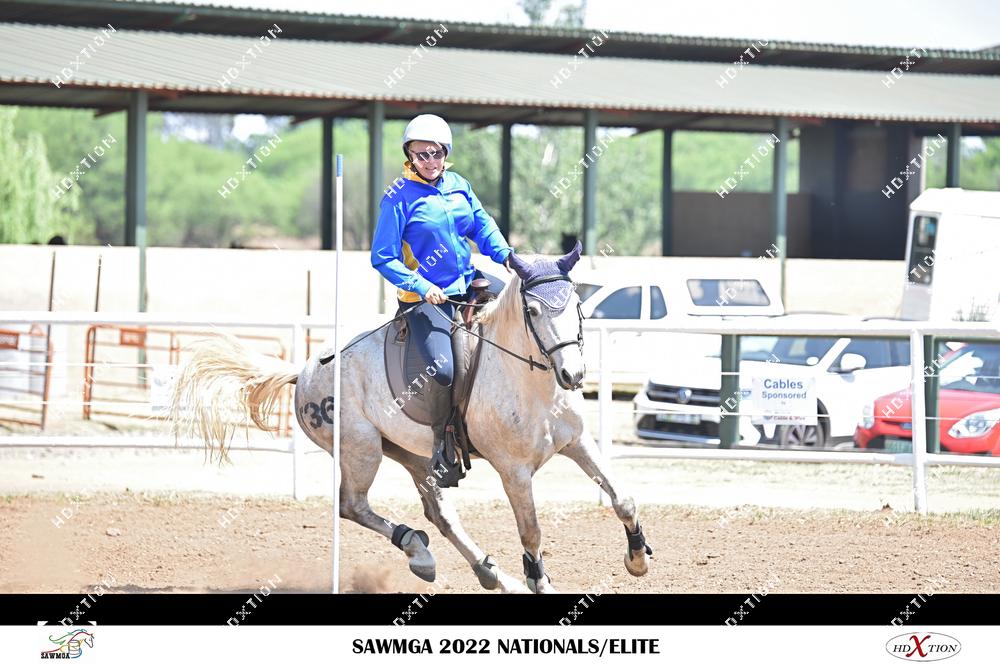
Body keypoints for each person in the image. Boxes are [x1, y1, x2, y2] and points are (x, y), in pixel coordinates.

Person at [371, 114, 514, 487]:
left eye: (435, 153)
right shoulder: (397, 197)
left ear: (445, 153)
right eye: (421, 155)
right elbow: (382, 257)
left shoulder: (459, 185)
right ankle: (442, 444)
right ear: (409, 155)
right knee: (444, 369)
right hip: (424, 300)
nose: (430, 161)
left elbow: (482, 225)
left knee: (520, 313)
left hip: (468, 283)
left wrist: (506, 255)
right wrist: (420, 286)